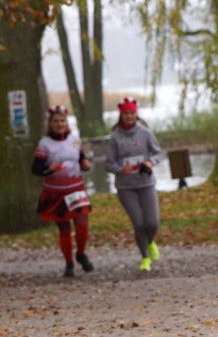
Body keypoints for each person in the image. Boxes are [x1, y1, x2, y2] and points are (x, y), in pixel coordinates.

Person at [32, 105, 94, 277]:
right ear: (50, 124)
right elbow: (36, 169)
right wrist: (49, 168)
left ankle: (81, 254)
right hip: (55, 193)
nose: (59, 124)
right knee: (64, 229)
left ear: (67, 123)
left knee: (82, 223)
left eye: (62, 121)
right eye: (56, 121)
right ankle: (69, 264)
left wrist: (85, 164)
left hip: (76, 189)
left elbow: (81, 159)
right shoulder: (44, 144)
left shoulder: (75, 140)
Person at [105, 97, 163, 272]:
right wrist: (120, 169)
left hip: (146, 183)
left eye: (132, 113)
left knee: (152, 222)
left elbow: (159, 153)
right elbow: (109, 163)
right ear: (121, 116)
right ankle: (145, 257)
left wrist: (150, 162)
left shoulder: (145, 133)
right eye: (126, 114)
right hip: (126, 187)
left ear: (136, 114)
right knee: (138, 223)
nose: (129, 116)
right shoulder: (115, 138)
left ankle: (151, 240)